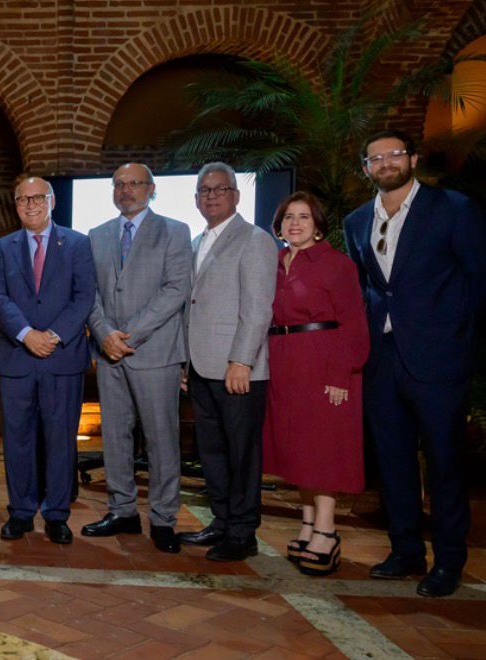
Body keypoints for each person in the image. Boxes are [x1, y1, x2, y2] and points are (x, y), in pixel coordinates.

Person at [344, 129, 486, 597]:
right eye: (375, 157)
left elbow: (478, 281)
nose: (385, 162)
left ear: (412, 158)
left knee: (444, 464)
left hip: (440, 361)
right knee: (394, 461)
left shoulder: (455, 210)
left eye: (393, 154)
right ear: (366, 169)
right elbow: (368, 288)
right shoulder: (356, 220)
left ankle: (448, 560)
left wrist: (463, 344)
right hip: (382, 361)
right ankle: (405, 550)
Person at [83, 163, 191, 554]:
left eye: (134, 184)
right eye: (119, 184)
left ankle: (163, 518)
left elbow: (176, 289)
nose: (126, 190)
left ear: (152, 189)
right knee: (115, 438)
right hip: (109, 354)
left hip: (156, 352)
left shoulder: (175, 232)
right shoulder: (97, 235)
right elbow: (89, 293)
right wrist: (103, 332)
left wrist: (131, 333)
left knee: (162, 440)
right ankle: (122, 510)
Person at [0, 175, 97, 545]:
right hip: (17, 357)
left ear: (52, 202)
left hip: (61, 356)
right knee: (17, 439)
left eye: (38, 198)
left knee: (60, 438)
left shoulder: (78, 244)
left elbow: (84, 297)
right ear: (15, 205)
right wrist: (25, 334)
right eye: (23, 199)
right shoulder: (2, 248)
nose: (31, 205)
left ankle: (56, 514)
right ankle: (20, 512)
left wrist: (52, 336)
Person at [263, 191, 368, 576]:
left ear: (318, 224)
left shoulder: (337, 265)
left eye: (304, 216)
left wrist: (342, 373)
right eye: (289, 216)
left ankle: (327, 530)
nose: (295, 223)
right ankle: (307, 525)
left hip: (325, 363)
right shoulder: (274, 262)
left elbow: (354, 324)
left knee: (323, 450)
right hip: (284, 362)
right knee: (299, 449)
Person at [178, 162, 277, 562]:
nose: (212, 195)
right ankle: (220, 521)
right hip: (201, 368)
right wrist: (186, 364)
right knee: (212, 452)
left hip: (238, 371)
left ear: (236, 195)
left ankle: (242, 533)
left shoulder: (254, 240)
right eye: (204, 190)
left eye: (220, 189)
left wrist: (242, 361)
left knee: (242, 454)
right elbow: (193, 308)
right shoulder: (196, 242)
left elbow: (257, 308)